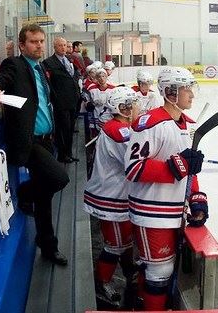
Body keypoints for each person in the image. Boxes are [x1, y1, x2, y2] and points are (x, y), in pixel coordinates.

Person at [0, 23, 70, 265]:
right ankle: (23, 192)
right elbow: (0, 77)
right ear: (22, 45)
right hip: (29, 142)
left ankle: (48, 246)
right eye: (33, 41)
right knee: (59, 179)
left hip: (47, 139)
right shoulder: (16, 65)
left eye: (41, 41)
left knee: (44, 196)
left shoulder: (40, 68)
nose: (39, 45)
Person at [124, 66, 207, 311]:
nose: (192, 95)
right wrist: (177, 166)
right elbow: (133, 169)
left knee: (159, 269)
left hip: (172, 212)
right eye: (186, 89)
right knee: (160, 271)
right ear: (171, 93)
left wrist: (197, 200)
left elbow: (187, 170)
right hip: (152, 214)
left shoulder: (185, 124)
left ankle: (143, 300)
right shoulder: (150, 123)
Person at [84, 87, 139, 307]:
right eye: (134, 104)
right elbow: (135, 161)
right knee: (115, 244)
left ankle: (128, 270)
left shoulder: (120, 127)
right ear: (124, 109)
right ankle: (102, 282)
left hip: (115, 195)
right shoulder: (119, 131)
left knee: (124, 240)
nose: (138, 107)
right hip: (111, 198)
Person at [43, 37, 80, 163]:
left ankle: (68, 153)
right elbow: (49, 84)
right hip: (60, 103)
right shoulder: (48, 63)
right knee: (62, 130)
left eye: (65, 45)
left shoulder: (69, 61)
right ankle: (62, 154)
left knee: (69, 129)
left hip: (72, 101)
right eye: (60, 45)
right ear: (54, 47)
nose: (63, 48)